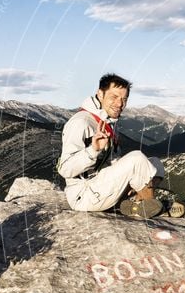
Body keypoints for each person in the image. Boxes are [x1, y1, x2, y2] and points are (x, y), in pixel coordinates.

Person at [57, 73, 164, 217]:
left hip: (102, 185)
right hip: (84, 194)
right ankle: (151, 207)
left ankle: (134, 204)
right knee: (137, 159)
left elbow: (112, 161)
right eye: (114, 97)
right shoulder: (81, 123)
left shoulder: (108, 121)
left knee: (156, 164)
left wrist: (129, 172)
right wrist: (93, 150)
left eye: (124, 99)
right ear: (100, 94)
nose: (120, 104)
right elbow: (65, 169)